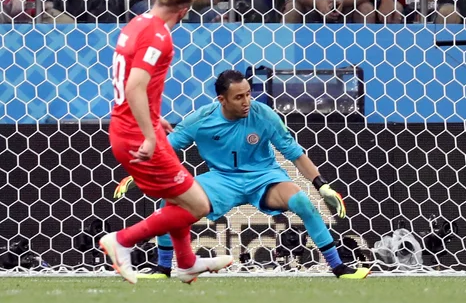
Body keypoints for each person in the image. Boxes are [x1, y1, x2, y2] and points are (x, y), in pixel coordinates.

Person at [114, 70, 371, 280]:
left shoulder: (264, 114)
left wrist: (321, 185)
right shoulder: (200, 120)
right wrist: (139, 174)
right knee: (170, 201)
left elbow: (294, 153)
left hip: (265, 177)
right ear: (221, 100)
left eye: (248, 94)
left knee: (302, 202)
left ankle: (338, 267)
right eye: (239, 97)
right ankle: (163, 268)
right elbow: (166, 149)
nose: (247, 101)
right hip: (222, 179)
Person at [100, 0, 233, 285]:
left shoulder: (137, 22)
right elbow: (134, 86)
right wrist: (148, 133)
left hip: (126, 124)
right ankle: (121, 240)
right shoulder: (159, 37)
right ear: (185, 10)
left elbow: (126, 83)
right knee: (199, 204)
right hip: (136, 134)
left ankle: (186, 263)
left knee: (178, 197)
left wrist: (153, 118)